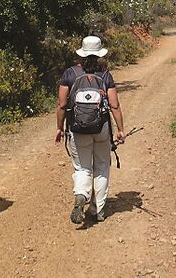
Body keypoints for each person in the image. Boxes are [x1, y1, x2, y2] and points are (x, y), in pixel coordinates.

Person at [55, 35, 125, 224]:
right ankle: (97, 211)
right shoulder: (105, 75)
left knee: (82, 167)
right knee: (102, 166)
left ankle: (81, 195)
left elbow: (62, 105)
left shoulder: (70, 74)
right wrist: (120, 129)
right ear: (100, 54)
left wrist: (59, 128)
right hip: (101, 128)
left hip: (77, 129)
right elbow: (115, 105)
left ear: (82, 53)